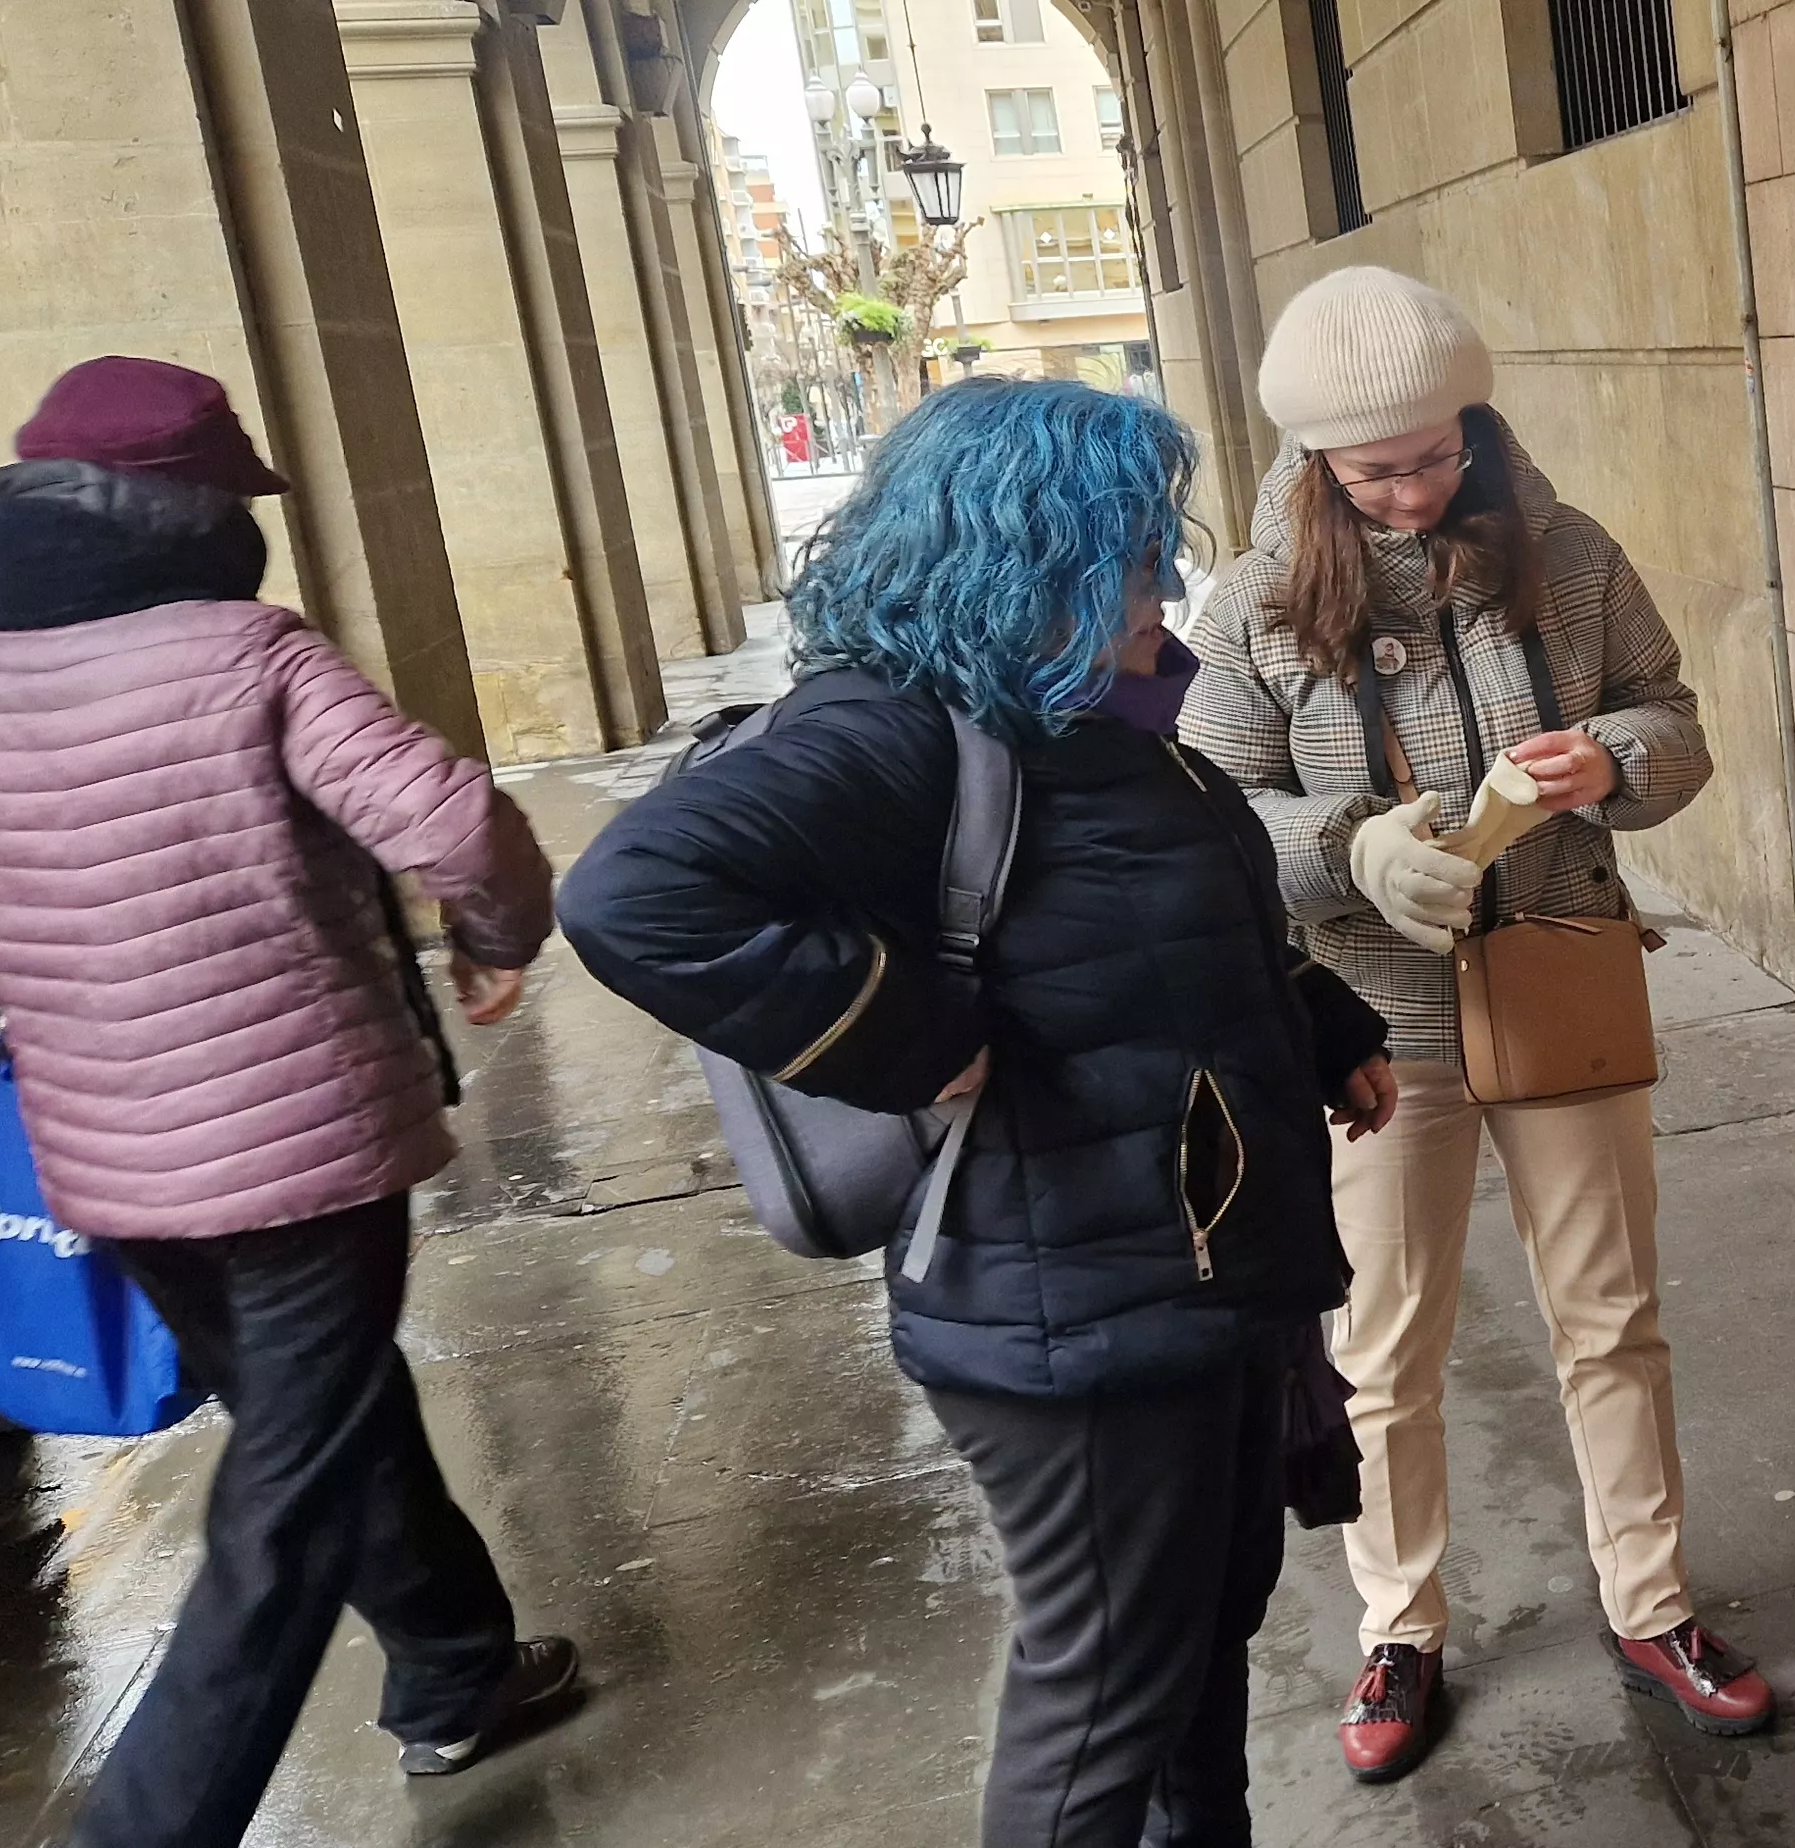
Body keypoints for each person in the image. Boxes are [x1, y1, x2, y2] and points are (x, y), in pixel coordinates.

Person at [558, 378, 1398, 1848]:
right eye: (1133, 555)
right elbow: (632, 895)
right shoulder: (888, 732)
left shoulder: (1078, 715)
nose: (1164, 587)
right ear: (1030, 561)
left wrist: (1320, 1026)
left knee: (1195, 1652)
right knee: (1104, 1708)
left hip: (1182, 1279)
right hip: (1069, 1309)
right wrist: (910, 1040)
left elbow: (1148, 927)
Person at [0, 356, 576, 1845]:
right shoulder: (249, 652)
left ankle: (457, 1665)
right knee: (287, 1496)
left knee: (323, 1411)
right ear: (203, 514)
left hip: (105, 1159)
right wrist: (495, 938)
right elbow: (458, 824)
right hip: (305, 1151)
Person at [1179, 266, 1745, 1782]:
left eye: (1441, 452)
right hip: (1378, 1021)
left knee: (1613, 1318)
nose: (1418, 490)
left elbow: (1675, 718)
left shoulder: (1570, 553)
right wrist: (1349, 847)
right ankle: (1400, 1627)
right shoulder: (1253, 604)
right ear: (1314, 462)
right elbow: (1209, 816)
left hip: (1561, 978)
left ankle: (1653, 1604)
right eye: (1378, 471)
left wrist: (1609, 760)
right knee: (1383, 1350)